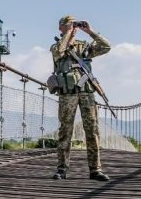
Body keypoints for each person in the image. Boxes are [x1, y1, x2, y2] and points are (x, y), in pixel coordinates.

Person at [50, 15, 111, 181]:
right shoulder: (56, 46)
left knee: (92, 131)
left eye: (74, 24)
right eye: (68, 24)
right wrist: (69, 34)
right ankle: (62, 169)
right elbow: (60, 52)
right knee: (65, 131)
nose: (73, 26)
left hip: (86, 92)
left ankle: (95, 170)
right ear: (61, 27)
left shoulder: (84, 47)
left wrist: (90, 31)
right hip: (67, 94)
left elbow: (106, 47)